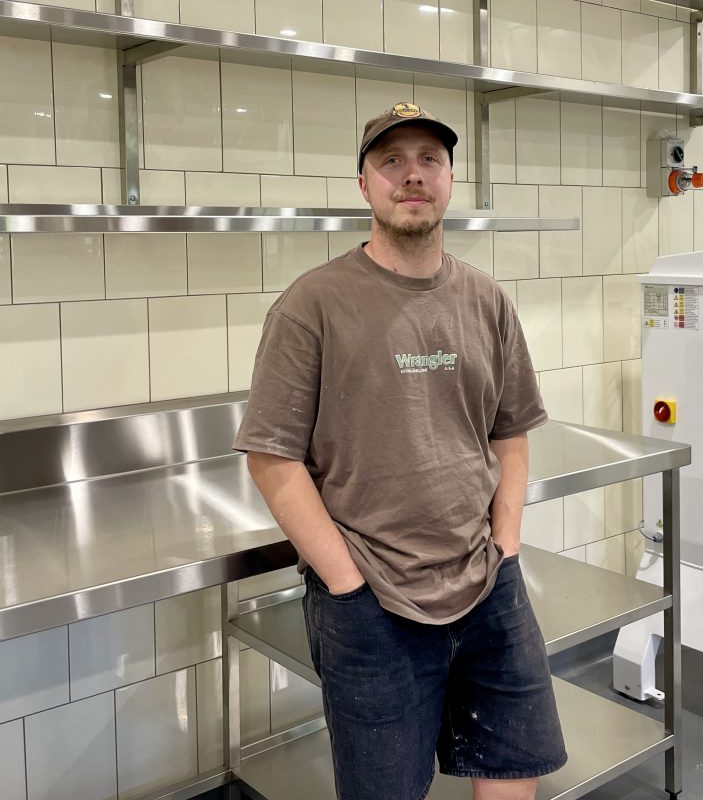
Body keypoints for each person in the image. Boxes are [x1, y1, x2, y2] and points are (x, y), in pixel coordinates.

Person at [233, 102, 567, 800]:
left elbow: (509, 431)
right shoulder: (312, 305)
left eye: (428, 160)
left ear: (450, 180)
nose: (411, 175)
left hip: (487, 580)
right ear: (364, 185)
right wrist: (346, 582)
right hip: (372, 599)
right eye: (391, 161)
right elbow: (272, 458)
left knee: (514, 769)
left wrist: (506, 543)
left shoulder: (485, 299)